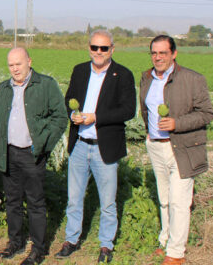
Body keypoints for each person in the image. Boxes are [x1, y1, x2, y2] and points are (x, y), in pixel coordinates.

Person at [0, 47, 64, 265]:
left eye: (19, 64)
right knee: (12, 201)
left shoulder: (46, 85)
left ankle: (38, 249)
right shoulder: (5, 88)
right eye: (11, 65)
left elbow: (60, 118)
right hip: (9, 152)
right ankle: (15, 242)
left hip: (32, 153)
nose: (15, 69)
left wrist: (42, 144)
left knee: (35, 202)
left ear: (29, 62)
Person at [56, 30, 136, 263]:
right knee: (74, 197)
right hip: (80, 144)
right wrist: (73, 115)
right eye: (94, 47)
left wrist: (96, 117)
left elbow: (128, 110)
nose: (98, 52)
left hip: (105, 146)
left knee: (108, 201)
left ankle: (105, 245)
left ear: (112, 48)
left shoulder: (122, 75)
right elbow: (68, 98)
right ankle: (71, 239)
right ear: (88, 48)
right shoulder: (80, 71)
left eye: (104, 48)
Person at [140, 35, 213, 265]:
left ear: (174, 54)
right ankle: (166, 241)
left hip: (182, 147)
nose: (158, 57)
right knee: (164, 198)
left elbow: (206, 114)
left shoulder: (192, 79)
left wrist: (176, 123)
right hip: (156, 147)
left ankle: (176, 253)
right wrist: (150, 134)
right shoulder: (146, 77)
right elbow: (145, 110)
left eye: (163, 52)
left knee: (180, 200)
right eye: (154, 52)